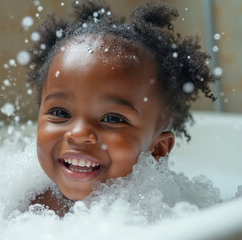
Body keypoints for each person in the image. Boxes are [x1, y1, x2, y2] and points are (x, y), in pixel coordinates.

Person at [26, 0, 218, 216]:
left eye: (112, 119)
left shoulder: (164, 214)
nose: (78, 134)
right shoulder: (30, 207)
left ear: (157, 150)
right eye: (60, 113)